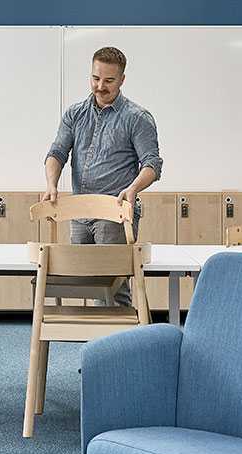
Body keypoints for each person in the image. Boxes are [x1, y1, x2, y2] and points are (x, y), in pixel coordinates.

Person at [43, 46, 162, 306]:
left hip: (115, 213)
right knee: (84, 285)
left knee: (113, 290)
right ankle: (95, 346)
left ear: (122, 80)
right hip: (79, 214)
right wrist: (52, 184)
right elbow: (57, 153)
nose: (100, 86)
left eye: (109, 80)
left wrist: (133, 189)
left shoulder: (137, 118)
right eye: (96, 78)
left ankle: (118, 346)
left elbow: (152, 164)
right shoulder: (75, 114)